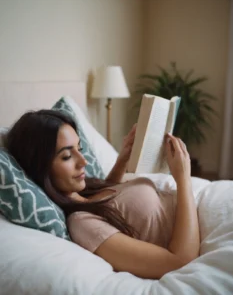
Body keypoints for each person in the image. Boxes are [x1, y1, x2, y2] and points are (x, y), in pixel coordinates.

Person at [6, 109, 200, 279]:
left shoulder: (86, 194)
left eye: (79, 149)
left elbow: (112, 203)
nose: (84, 161)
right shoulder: (82, 223)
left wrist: (122, 159)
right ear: (40, 167)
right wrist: (183, 178)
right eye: (66, 156)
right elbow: (179, 261)